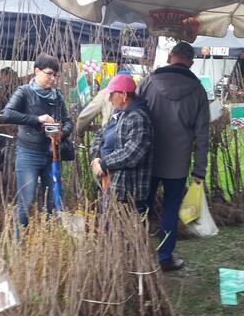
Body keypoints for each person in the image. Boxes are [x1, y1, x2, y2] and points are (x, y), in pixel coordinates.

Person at [137, 42, 210, 271]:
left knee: (142, 206)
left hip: (146, 158)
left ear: (170, 57)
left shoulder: (148, 82)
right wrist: (199, 170)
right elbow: (202, 135)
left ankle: (137, 254)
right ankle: (164, 257)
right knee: (170, 208)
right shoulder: (198, 91)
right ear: (190, 62)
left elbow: (132, 114)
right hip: (177, 163)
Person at [1, 54, 72, 227]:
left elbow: (69, 121)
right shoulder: (24, 91)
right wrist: (37, 119)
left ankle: (46, 243)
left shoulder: (57, 96)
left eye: (55, 75)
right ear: (36, 71)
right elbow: (7, 114)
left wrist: (61, 134)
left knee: (51, 202)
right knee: (26, 200)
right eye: (49, 74)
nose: (53, 79)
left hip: (51, 154)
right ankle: (19, 245)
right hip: (28, 153)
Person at [89, 74, 153, 211]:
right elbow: (100, 134)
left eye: (112, 94)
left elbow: (131, 153)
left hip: (128, 191)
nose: (110, 99)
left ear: (124, 95)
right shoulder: (120, 113)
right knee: (108, 227)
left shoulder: (139, 118)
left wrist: (104, 164)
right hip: (111, 185)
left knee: (123, 229)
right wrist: (96, 157)